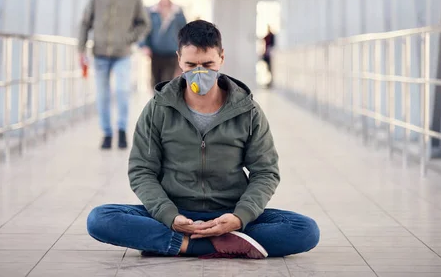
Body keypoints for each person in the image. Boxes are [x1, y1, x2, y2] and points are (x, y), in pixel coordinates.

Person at [86, 20, 320, 258]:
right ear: (179, 60)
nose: (199, 73)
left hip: (229, 212)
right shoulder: (158, 108)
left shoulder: (248, 111)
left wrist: (240, 217)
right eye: (191, 64)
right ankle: (221, 244)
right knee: (100, 218)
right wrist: (169, 215)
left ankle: (180, 244)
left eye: (208, 64)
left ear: (221, 58)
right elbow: (142, 170)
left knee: (306, 229)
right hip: (175, 212)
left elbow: (265, 171)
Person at [78, 0, 150, 150]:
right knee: (102, 95)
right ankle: (107, 133)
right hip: (100, 54)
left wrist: (129, 38)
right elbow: (85, 23)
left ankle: (121, 130)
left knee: (122, 91)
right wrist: (81, 49)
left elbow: (144, 24)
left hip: (122, 54)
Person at [141, 0, 187, 87]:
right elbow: (146, 30)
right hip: (155, 52)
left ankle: (165, 102)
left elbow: (184, 31)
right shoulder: (152, 11)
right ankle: (158, 102)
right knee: (155, 82)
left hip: (172, 52)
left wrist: (183, 50)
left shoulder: (177, 11)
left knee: (168, 80)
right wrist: (144, 45)